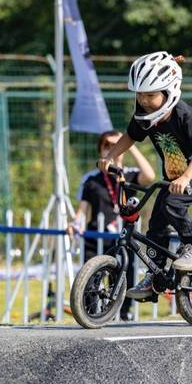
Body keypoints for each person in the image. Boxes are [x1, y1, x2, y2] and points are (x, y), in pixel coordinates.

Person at [97, 51, 192, 300]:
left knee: (173, 204)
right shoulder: (145, 119)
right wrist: (110, 156)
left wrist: (186, 178)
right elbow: (130, 136)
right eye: (139, 94)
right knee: (157, 222)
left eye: (150, 95)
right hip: (173, 177)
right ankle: (155, 277)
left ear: (169, 91)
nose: (143, 100)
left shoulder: (184, 115)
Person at [68, 130, 155, 320]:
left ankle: (124, 315)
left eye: (117, 144)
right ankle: (91, 314)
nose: (112, 147)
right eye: (107, 144)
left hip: (124, 237)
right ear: (100, 148)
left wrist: (130, 145)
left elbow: (149, 176)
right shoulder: (91, 179)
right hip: (97, 238)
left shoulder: (130, 175)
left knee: (124, 276)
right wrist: (75, 223)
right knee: (92, 280)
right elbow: (83, 209)